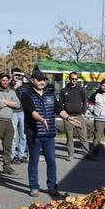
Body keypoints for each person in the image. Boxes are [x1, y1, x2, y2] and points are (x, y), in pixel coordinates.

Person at [19, 69, 81, 197]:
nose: (42, 82)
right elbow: (31, 111)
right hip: (34, 134)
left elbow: (59, 109)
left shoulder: (50, 94)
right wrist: (41, 119)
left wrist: (69, 118)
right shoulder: (26, 94)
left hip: (49, 134)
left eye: (43, 80)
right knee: (34, 161)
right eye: (39, 79)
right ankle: (34, 187)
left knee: (51, 161)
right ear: (32, 80)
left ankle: (52, 186)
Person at [0, 73, 20, 174]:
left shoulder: (11, 91)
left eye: (7, 80)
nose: (5, 82)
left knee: (8, 146)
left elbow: (18, 105)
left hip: (9, 121)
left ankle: (7, 166)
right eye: (3, 80)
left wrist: (5, 101)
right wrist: (11, 103)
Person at [59, 71, 93, 161]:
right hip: (68, 117)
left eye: (75, 79)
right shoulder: (64, 90)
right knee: (69, 137)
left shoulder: (81, 89)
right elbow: (60, 104)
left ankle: (87, 154)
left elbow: (85, 101)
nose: (74, 80)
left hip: (79, 116)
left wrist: (83, 112)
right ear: (69, 79)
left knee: (83, 136)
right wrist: (64, 115)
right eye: (72, 79)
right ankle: (70, 155)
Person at [10, 68, 28, 164]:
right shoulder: (9, 85)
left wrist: (24, 74)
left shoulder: (23, 86)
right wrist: (15, 88)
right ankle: (12, 156)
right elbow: (8, 96)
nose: (16, 77)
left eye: (18, 75)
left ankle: (21, 155)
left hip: (22, 112)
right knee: (13, 136)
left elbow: (34, 81)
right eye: (15, 75)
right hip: (12, 112)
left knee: (23, 135)